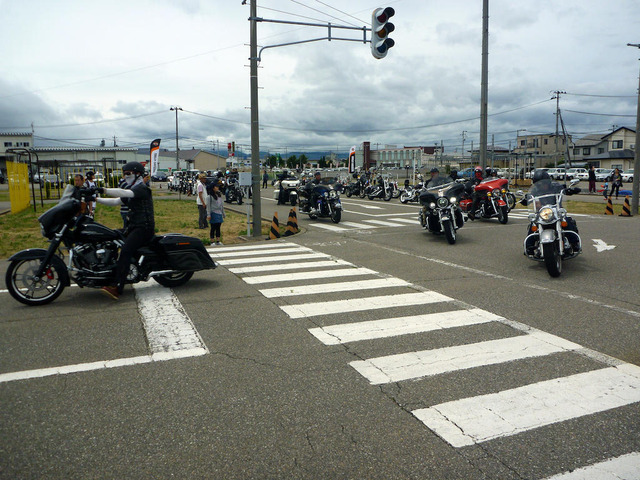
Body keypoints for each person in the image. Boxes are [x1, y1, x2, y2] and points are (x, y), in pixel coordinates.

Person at [95, 162, 155, 300]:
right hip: (134, 226)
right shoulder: (134, 188)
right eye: (124, 174)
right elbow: (117, 201)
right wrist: (95, 199)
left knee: (126, 251)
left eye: (128, 174)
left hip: (144, 228)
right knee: (110, 238)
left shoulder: (141, 188)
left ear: (138, 174)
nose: (125, 176)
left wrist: (103, 189)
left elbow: (123, 193)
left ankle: (117, 287)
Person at [521, 170, 580, 254]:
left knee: (567, 222)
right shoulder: (535, 190)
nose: (541, 185)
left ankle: (574, 243)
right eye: (538, 184)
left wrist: (571, 190)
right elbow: (530, 198)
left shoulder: (556, 187)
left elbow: (564, 190)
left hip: (556, 211)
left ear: (548, 181)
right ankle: (529, 246)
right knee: (533, 225)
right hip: (543, 213)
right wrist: (525, 199)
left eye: (543, 183)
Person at [206, 180, 225, 245]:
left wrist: (223, 213)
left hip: (219, 213)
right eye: (216, 187)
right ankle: (212, 241)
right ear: (213, 188)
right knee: (213, 228)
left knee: (218, 228)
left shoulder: (219, 195)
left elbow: (221, 205)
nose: (217, 188)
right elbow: (208, 206)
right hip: (213, 213)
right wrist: (208, 214)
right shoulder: (209, 197)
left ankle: (218, 240)